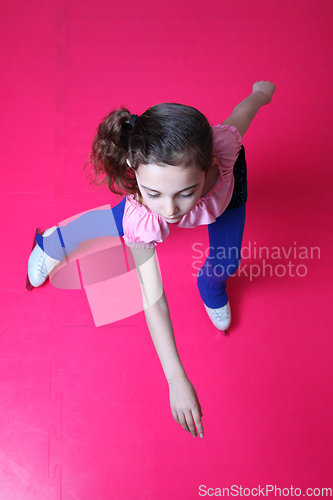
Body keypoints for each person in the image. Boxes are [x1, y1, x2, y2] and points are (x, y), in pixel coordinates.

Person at [27, 80, 276, 438]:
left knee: (227, 260)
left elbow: (242, 114)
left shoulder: (224, 149)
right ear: (134, 167)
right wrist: (176, 378)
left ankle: (211, 286)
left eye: (184, 192)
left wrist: (260, 94)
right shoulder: (146, 212)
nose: (171, 210)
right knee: (114, 223)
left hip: (224, 196)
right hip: (142, 210)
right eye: (156, 192)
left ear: (207, 165)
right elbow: (153, 298)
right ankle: (54, 243)